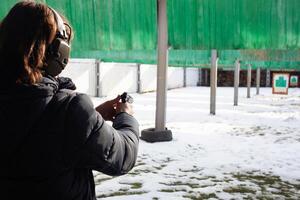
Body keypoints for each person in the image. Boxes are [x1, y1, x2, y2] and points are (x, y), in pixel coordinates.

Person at [0, 1, 139, 200]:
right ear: (59, 52)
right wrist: (126, 116)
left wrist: (94, 118)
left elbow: (32, 132)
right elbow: (123, 156)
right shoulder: (70, 112)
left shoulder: (67, 114)